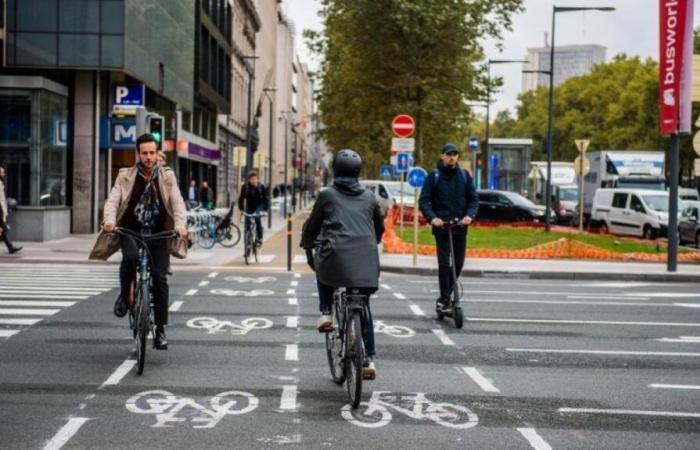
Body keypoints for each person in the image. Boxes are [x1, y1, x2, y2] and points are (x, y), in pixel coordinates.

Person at [300, 149, 385, 378]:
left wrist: (308, 245)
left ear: (335, 170)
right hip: (366, 261)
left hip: (335, 257)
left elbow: (313, 225)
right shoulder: (369, 197)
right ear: (358, 172)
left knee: (322, 266)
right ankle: (368, 360)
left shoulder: (327, 195)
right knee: (364, 306)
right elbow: (379, 229)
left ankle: (326, 312)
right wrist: (371, 241)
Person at [100, 133, 187, 350]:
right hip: (131, 230)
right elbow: (113, 200)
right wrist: (109, 221)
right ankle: (124, 296)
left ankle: (160, 329)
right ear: (138, 154)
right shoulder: (125, 176)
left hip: (158, 233)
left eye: (152, 153)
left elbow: (178, 203)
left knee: (160, 279)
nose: (148, 157)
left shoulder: (167, 176)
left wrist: (180, 226)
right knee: (129, 257)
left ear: (157, 154)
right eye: (144, 153)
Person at [419, 143, 479, 310]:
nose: (452, 157)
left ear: (457, 156)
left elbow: (473, 199)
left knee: (458, 263)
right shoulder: (434, 176)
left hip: (460, 226)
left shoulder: (465, 176)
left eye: (455, 154)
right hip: (442, 228)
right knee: (444, 264)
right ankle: (445, 298)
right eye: (448, 154)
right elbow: (424, 201)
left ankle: (446, 293)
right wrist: (433, 218)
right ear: (442, 156)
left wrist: (469, 216)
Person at [238, 171, 269, 247]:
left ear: (258, 179)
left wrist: (265, 210)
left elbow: (266, 199)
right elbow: (241, 198)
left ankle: (259, 238)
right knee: (247, 222)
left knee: (257, 219)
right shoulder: (245, 187)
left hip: (259, 206)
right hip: (249, 206)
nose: (254, 181)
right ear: (249, 180)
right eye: (252, 179)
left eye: (255, 179)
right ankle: (247, 242)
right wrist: (241, 209)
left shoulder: (261, 187)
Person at [0, 166, 21, 254]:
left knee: (3, 230)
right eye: (2, 172)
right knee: (4, 229)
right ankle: (10, 247)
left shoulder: (1, 183)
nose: (4, 174)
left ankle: (10, 248)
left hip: (1, 209)